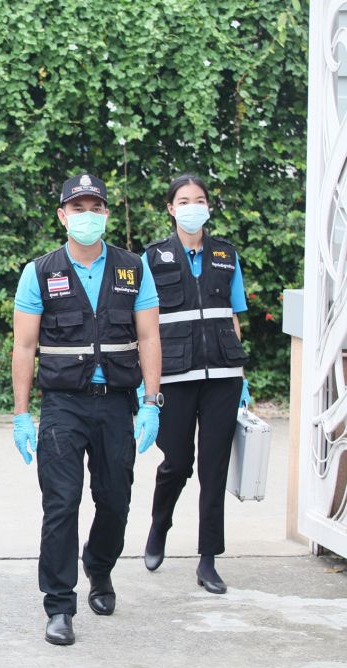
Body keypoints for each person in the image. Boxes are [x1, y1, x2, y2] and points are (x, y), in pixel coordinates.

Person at [11, 173, 162, 646]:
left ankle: (99, 566)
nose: (87, 216)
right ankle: (59, 604)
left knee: (115, 500)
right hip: (63, 406)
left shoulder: (133, 268)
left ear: (106, 214)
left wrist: (151, 402)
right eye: (78, 208)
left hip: (117, 403)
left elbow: (149, 337)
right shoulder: (40, 272)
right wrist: (21, 414)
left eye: (95, 208)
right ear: (63, 215)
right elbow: (24, 346)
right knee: (61, 503)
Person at [141, 174, 250, 594]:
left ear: (208, 206)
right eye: (183, 200)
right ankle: (159, 526)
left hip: (223, 375)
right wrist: (147, 387)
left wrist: (242, 379)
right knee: (177, 462)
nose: (192, 206)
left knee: (213, 467)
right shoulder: (152, 258)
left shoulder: (226, 255)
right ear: (171, 209)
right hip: (175, 376)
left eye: (199, 200)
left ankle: (208, 560)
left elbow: (232, 316)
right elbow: (144, 325)